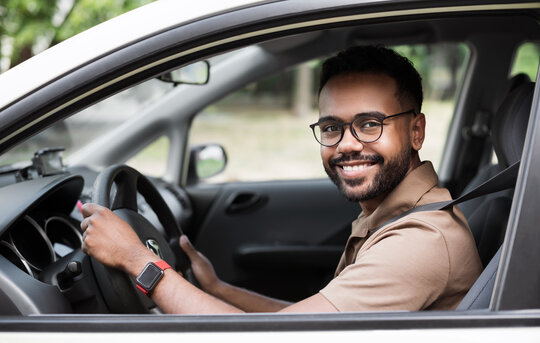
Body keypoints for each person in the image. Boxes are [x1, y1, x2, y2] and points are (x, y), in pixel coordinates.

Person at [80, 45, 482, 313]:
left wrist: (138, 261)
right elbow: (309, 320)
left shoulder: (420, 241)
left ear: (416, 132)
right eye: (331, 128)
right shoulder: (393, 214)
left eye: (370, 124)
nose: (346, 145)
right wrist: (219, 291)